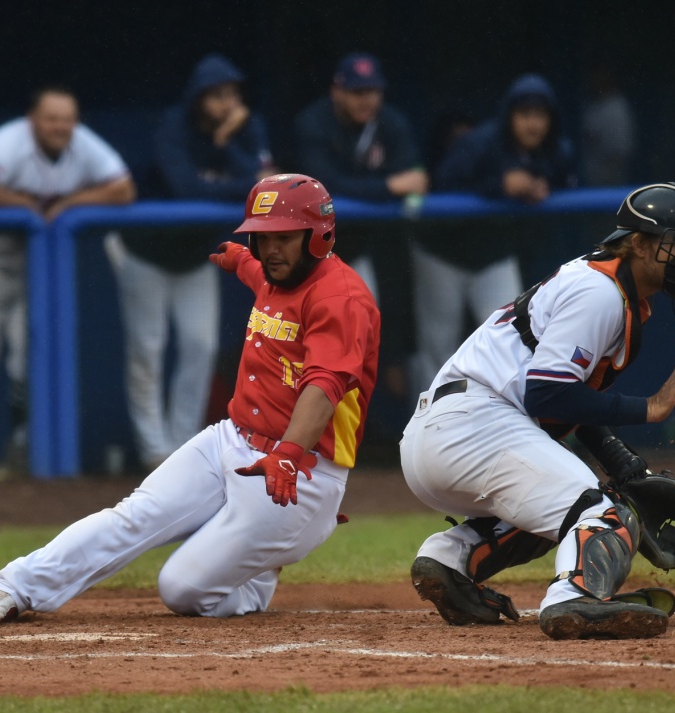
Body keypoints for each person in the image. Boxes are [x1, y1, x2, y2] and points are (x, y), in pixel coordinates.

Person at [0, 174, 381, 625]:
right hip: (232, 439)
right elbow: (260, 274)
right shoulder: (275, 272)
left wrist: (289, 453)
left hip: (298, 473)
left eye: (283, 237)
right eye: (261, 238)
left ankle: (263, 566)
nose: (270, 249)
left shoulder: (341, 298)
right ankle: (15, 584)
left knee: (181, 589)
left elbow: (323, 385)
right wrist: (242, 258)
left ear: (317, 237)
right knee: (133, 517)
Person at [401, 183, 675, 640]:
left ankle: (451, 559)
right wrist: (649, 409)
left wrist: (626, 468)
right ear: (639, 244)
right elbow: (547, 396)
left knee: (556, 515)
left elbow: (565, 407)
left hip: (447, 432)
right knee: (605, 514)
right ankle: (575, 595)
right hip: (475, 426)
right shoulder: (600, 292)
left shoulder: (605, 285)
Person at [0, 86, 136, 483]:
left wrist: (68, 204)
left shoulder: (82, 144)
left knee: (27, 359)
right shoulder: (9, 141)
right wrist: (28, 205)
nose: (59, 127)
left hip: (29, 260)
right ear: (33, 119)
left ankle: (20, 448)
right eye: (51, 118)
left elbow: (124, 189)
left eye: (66, 119)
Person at [109, 53, 275, 471]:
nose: (227, 103)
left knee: (200, 346)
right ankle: (152, 449)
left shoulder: (244, 130)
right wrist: (235, 182)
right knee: (148, 348)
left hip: (197, 255)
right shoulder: (174, 125)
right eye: (218, 95)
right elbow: (185, 189)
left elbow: (266, 187)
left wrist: (227, 146)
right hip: (146, 251)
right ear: (199, 98)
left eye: (233, 95)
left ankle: (181, 449)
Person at [412, 73, 574, 393]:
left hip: (495, 254)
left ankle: (506, 423)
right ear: (510, 116)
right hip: (443, 252)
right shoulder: (480, 143)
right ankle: (426, 429)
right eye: (525, 115)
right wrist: (498, 186)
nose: (533, 124)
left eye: (540, 116)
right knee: (439, 346)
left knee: (511, 340)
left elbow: (566, 182)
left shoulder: (555, 150)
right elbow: (439, 186)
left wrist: (537, 187)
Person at [293, 51, 429, 300]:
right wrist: (387, 187)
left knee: (363, 317)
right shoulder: (312, 122)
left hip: (361, 246)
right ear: (337, 91)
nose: (366, 100)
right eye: (357, 92)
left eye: (373, 91)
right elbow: (322, 185)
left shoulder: (391, 121)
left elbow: (412, 175)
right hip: (306, 249)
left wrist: (396, 185)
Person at [579, 63, 637, 187]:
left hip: (614, 178)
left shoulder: (618, 106)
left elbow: (621, 150)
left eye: (601, 74)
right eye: (594, 75)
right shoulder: (591, 105)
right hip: (591, 177)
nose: (596, 79)